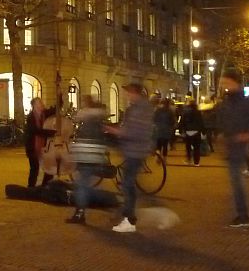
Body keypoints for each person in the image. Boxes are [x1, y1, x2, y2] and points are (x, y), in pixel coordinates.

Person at [217, 70, 249, 227]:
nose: (224, 86)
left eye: (226, 83)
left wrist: (246, 136)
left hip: (240, 147)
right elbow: (223, 122)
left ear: (235, 83)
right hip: (231, 146)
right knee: (236, 181)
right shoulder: (226, 102)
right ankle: (242, 213)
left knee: (237, 181)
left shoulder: (246, 103)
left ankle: (243, 215)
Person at [104, 83, 153, 233]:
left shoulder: (139, 109)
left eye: (128, 93)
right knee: (127, 184)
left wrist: (115, 131)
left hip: (135, 150)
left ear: (135, 93)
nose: (126, 95)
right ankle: (127, 215)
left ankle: (129, 219)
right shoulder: (138, 107)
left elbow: (133, 131)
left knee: (127, 185)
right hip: (134, 150)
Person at [65, 96, 108, 225]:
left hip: (86, 157)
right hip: (94, 156)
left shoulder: (86, 119)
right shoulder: (99, 119)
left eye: (83, 103)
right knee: (85, 183)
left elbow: (82, 139)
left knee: (82, 186)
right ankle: (83, 209)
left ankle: (80, 213)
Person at [23, 97, 56, 187]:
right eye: (39, 103)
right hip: (33, 147)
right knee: (34, 168)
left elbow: (56, 109)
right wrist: (51, 133)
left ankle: (45, 186)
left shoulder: (44, 114)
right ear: (34, 105)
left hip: (44, 147)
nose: (42, 104)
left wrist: (59, 94)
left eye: (41, 102)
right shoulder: (31, 117)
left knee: (49, 168)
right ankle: (31, 187)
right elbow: (36, 130)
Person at [177, 98, 205, 165]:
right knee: (197, 147)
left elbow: (182, 122)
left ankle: (189, 159)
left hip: (188, 131)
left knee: (188, 147)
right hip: (196, 131)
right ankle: (196, 162)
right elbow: (201, 122)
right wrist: (203, 131)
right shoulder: (198, 112)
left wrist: (180, 130)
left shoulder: (186, 112)